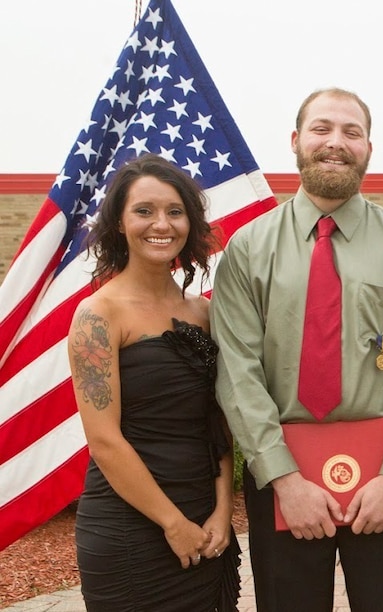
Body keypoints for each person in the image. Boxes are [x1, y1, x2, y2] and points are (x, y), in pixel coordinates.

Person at [210, 87, 383, 611]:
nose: (335, 143)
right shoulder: (247, 251)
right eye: (322, 129)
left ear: (369, 147)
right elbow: (237, 371)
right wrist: (283, 479)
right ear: (296, 141)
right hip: (283, 481)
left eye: (351, 132)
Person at [68, 153, 240, 611]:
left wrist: (223, 510)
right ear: (120, 223)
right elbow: (104, 442)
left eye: (175, 211)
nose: (160, 224)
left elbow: (217, 423)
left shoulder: (203, 312)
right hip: (130, 527)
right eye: (144, 210)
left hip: (205, 523)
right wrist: (171, 523)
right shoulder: (98, 316)